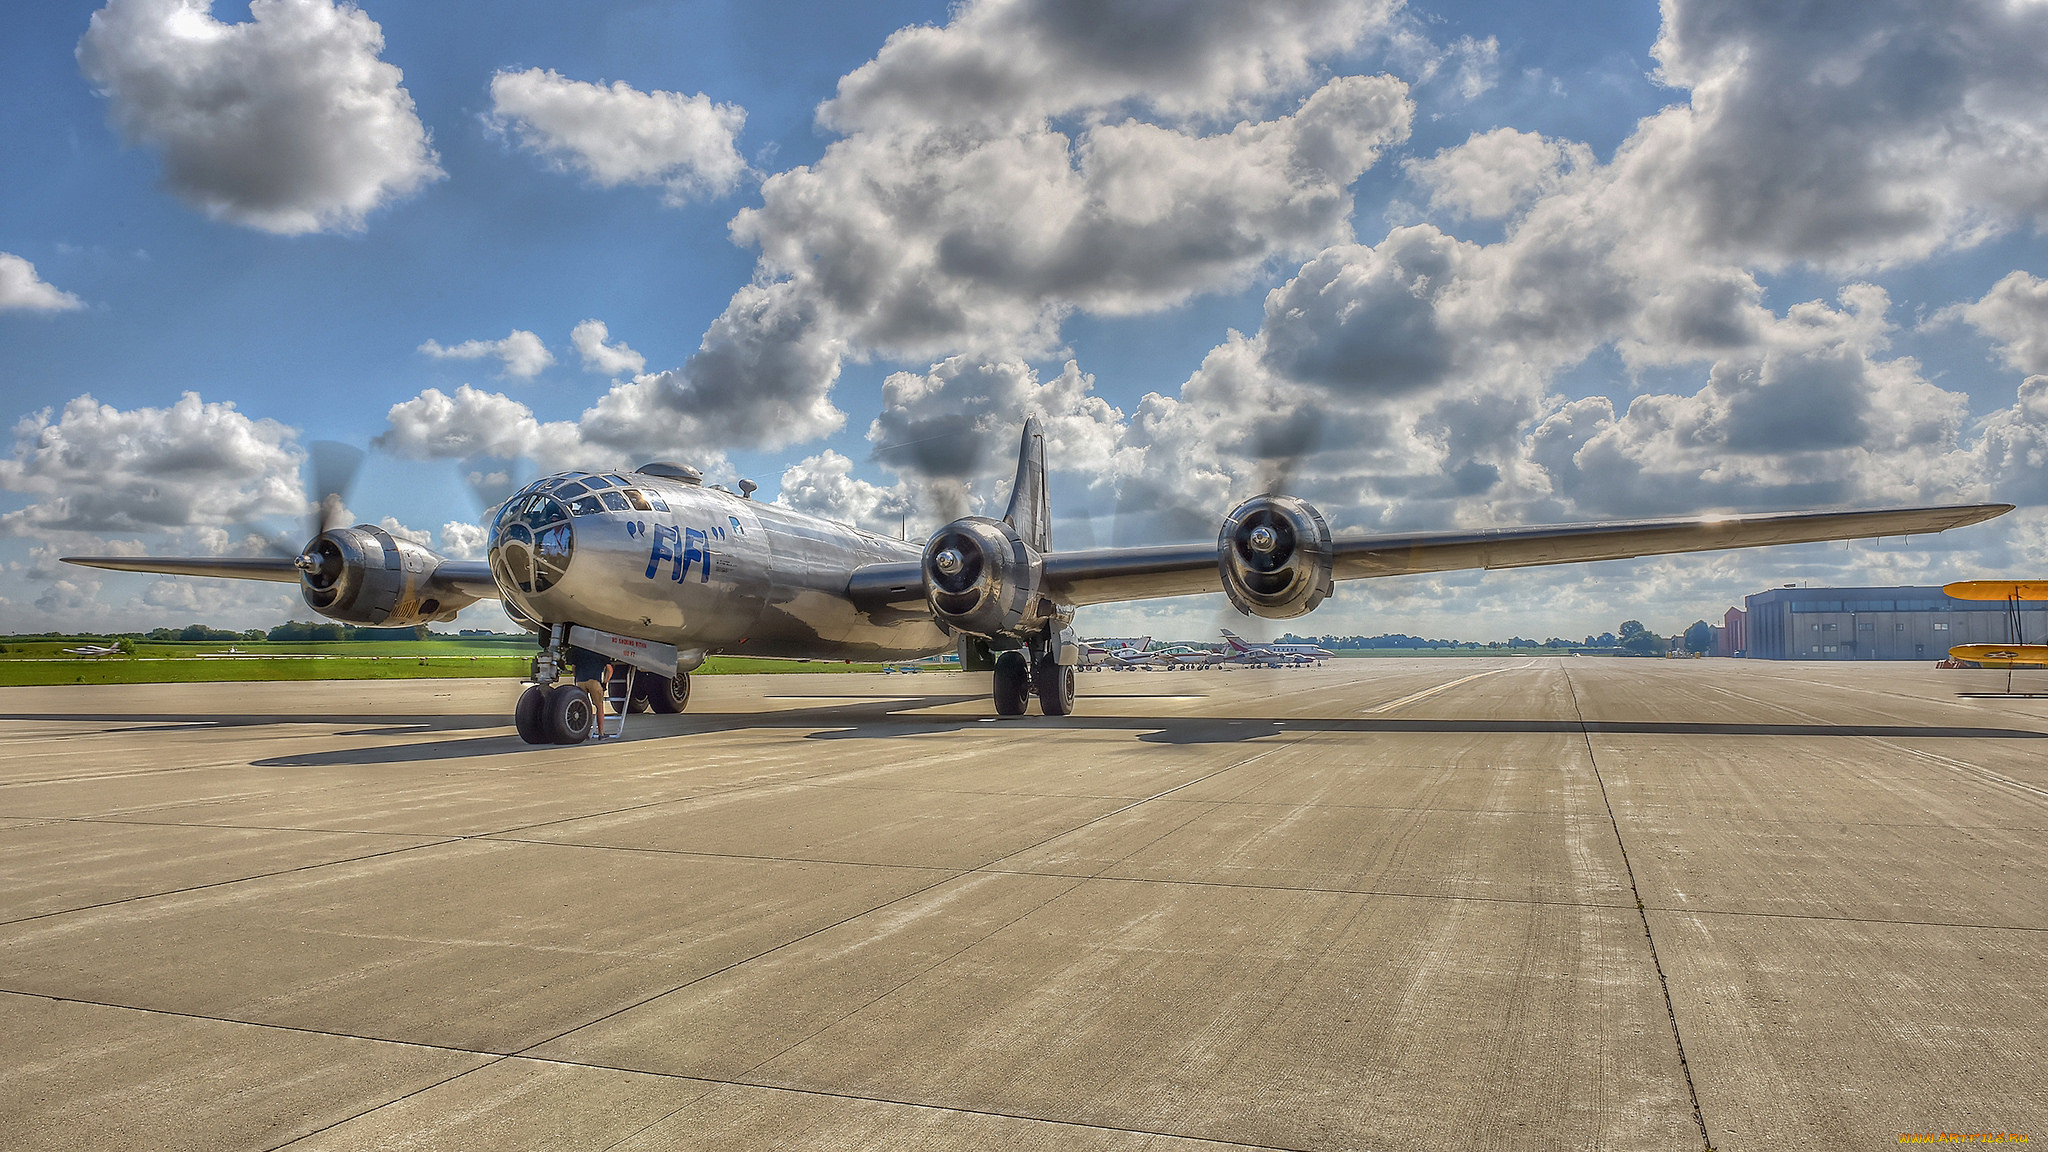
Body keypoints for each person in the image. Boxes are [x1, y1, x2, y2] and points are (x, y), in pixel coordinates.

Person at [568, 645, 611, 733]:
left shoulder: (578, 649)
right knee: (599, 707)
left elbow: (573, 667)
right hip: (594, 681)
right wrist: (605, 683)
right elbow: (609, 669)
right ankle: (601, 733)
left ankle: (584, 733)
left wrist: (577, 677)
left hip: (580, 681)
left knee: (583, 708)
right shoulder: (601, 649)